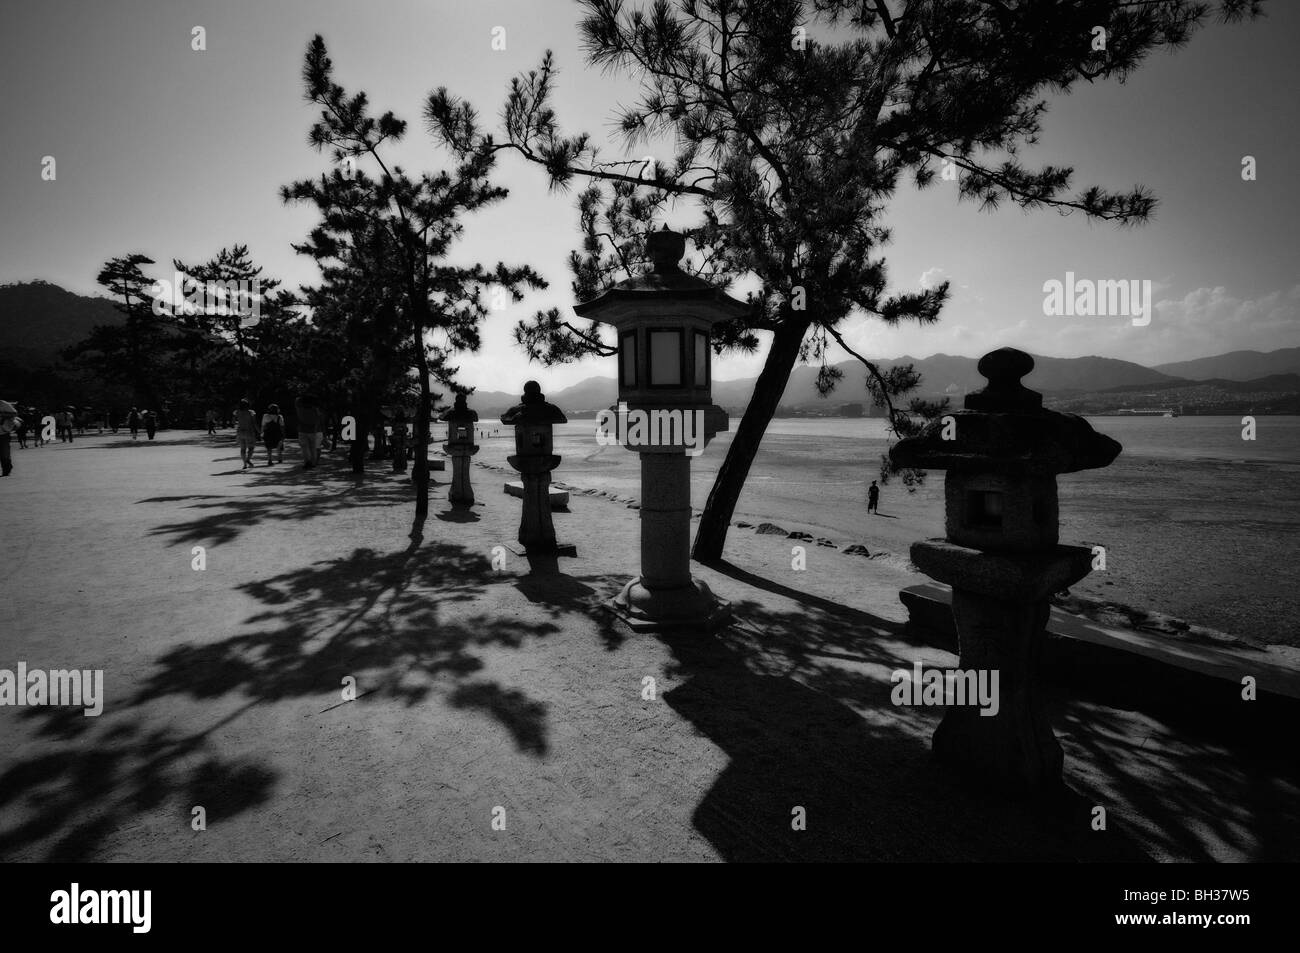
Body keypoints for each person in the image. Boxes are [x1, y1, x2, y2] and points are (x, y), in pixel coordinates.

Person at [294, 394, 323, 470]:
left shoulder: (300, 409)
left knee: (304, 448)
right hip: (312, 430)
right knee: (312, 448)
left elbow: (296, 401)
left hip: (302, 430)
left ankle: (307, 462)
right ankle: (313, 463)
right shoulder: (314, 410)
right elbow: (319, 417)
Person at [233, 398, 260, 469]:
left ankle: (244, 464)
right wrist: (259, 431)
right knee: (251, 448)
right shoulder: (251, 412)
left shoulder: (237, 412)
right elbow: (255, 423)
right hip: (249, 432)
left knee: (243, 449)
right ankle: (248, 460)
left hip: (240, 432)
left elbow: (233, 422)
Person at [0, 405, 21, 476]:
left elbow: (14, 413)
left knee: (4, 453)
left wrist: (2, 415)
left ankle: (7, 468)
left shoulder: (2, 404)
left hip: (3, 434)